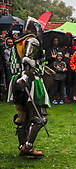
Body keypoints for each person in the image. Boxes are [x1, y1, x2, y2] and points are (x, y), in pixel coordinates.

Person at [7, 17, 50, 156]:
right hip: (30, 81)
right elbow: (27, 60)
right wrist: (25, 76)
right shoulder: (32, 40)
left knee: (23, 116)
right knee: (39, 117)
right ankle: (28, 147)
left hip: (16, 80)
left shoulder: (18, 42)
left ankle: (22, 146)